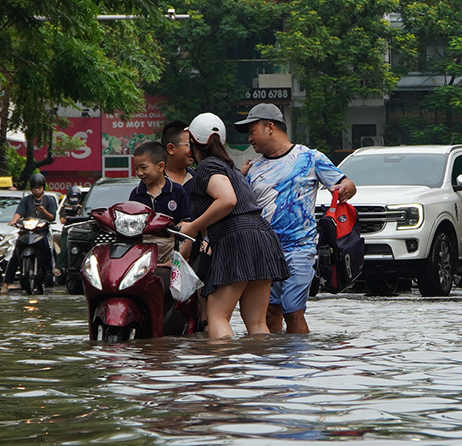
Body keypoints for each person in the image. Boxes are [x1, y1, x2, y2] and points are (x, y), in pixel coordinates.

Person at [238, 103, 355, 334]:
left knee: (293, 311)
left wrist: (346, 189)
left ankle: (299, 363)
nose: (250, 139)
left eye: (252, 131)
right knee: (270, 313)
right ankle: (275, 363)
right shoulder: (253, 168)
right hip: (264, 252)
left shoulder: (310, 158)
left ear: (269, 127)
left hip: (300, 248)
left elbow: (346, 183)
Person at [176, 114, 290, 339]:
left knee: (217, 316)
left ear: (193, 144)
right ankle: (263, 371)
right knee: (257, 322)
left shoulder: (207, 167)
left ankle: (222, 371)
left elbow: (227, 200)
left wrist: (191, 226)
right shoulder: (232, 170)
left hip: (236, 240)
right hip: (262, 238)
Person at [129, 140, 193, 267]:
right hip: (143, 248)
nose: (139, 173)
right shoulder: (136, 194)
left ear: (160, 166)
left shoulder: (176, 191)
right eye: (136, 168)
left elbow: (186, 222)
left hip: (171, 245)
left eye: (144, 167)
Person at [6, 172, 59, 290]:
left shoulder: (49, 200)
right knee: (16, 254)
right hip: (26, 231)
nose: (37, 190)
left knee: (47, 248)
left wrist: (43, 211)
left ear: (43, 187)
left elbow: (52, 217)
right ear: (31, 188)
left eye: (39, 187)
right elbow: (19, 213)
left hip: (41, 231)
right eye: (35, 187)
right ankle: (6, 282)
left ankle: (51, 269)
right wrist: (13, 221)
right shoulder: (26, 200)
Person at [161, 120, 195, 187]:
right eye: (189, 145)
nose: (193, 150)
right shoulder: (155, 180)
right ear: (171, 149)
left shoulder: (198, 177)